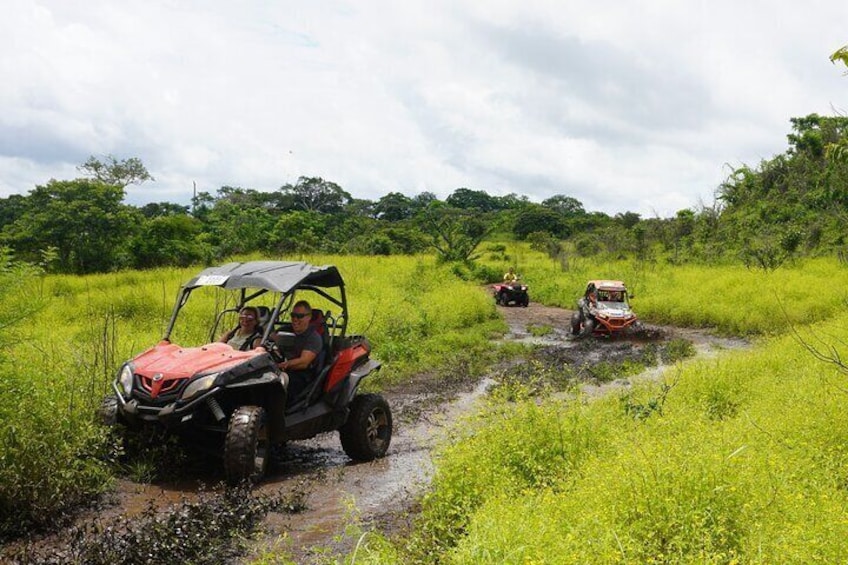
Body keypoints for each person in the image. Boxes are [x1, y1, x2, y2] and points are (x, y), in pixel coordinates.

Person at [277, 300, 323, 402]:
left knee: (276, 385)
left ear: (309, 317)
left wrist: (282, 365)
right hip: (279, 368)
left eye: (300, 316)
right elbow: (268, 341)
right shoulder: (284, 330)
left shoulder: (313, 337)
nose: (295, 319)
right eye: (293, 315)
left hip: (301, 374)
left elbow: (304, 362)